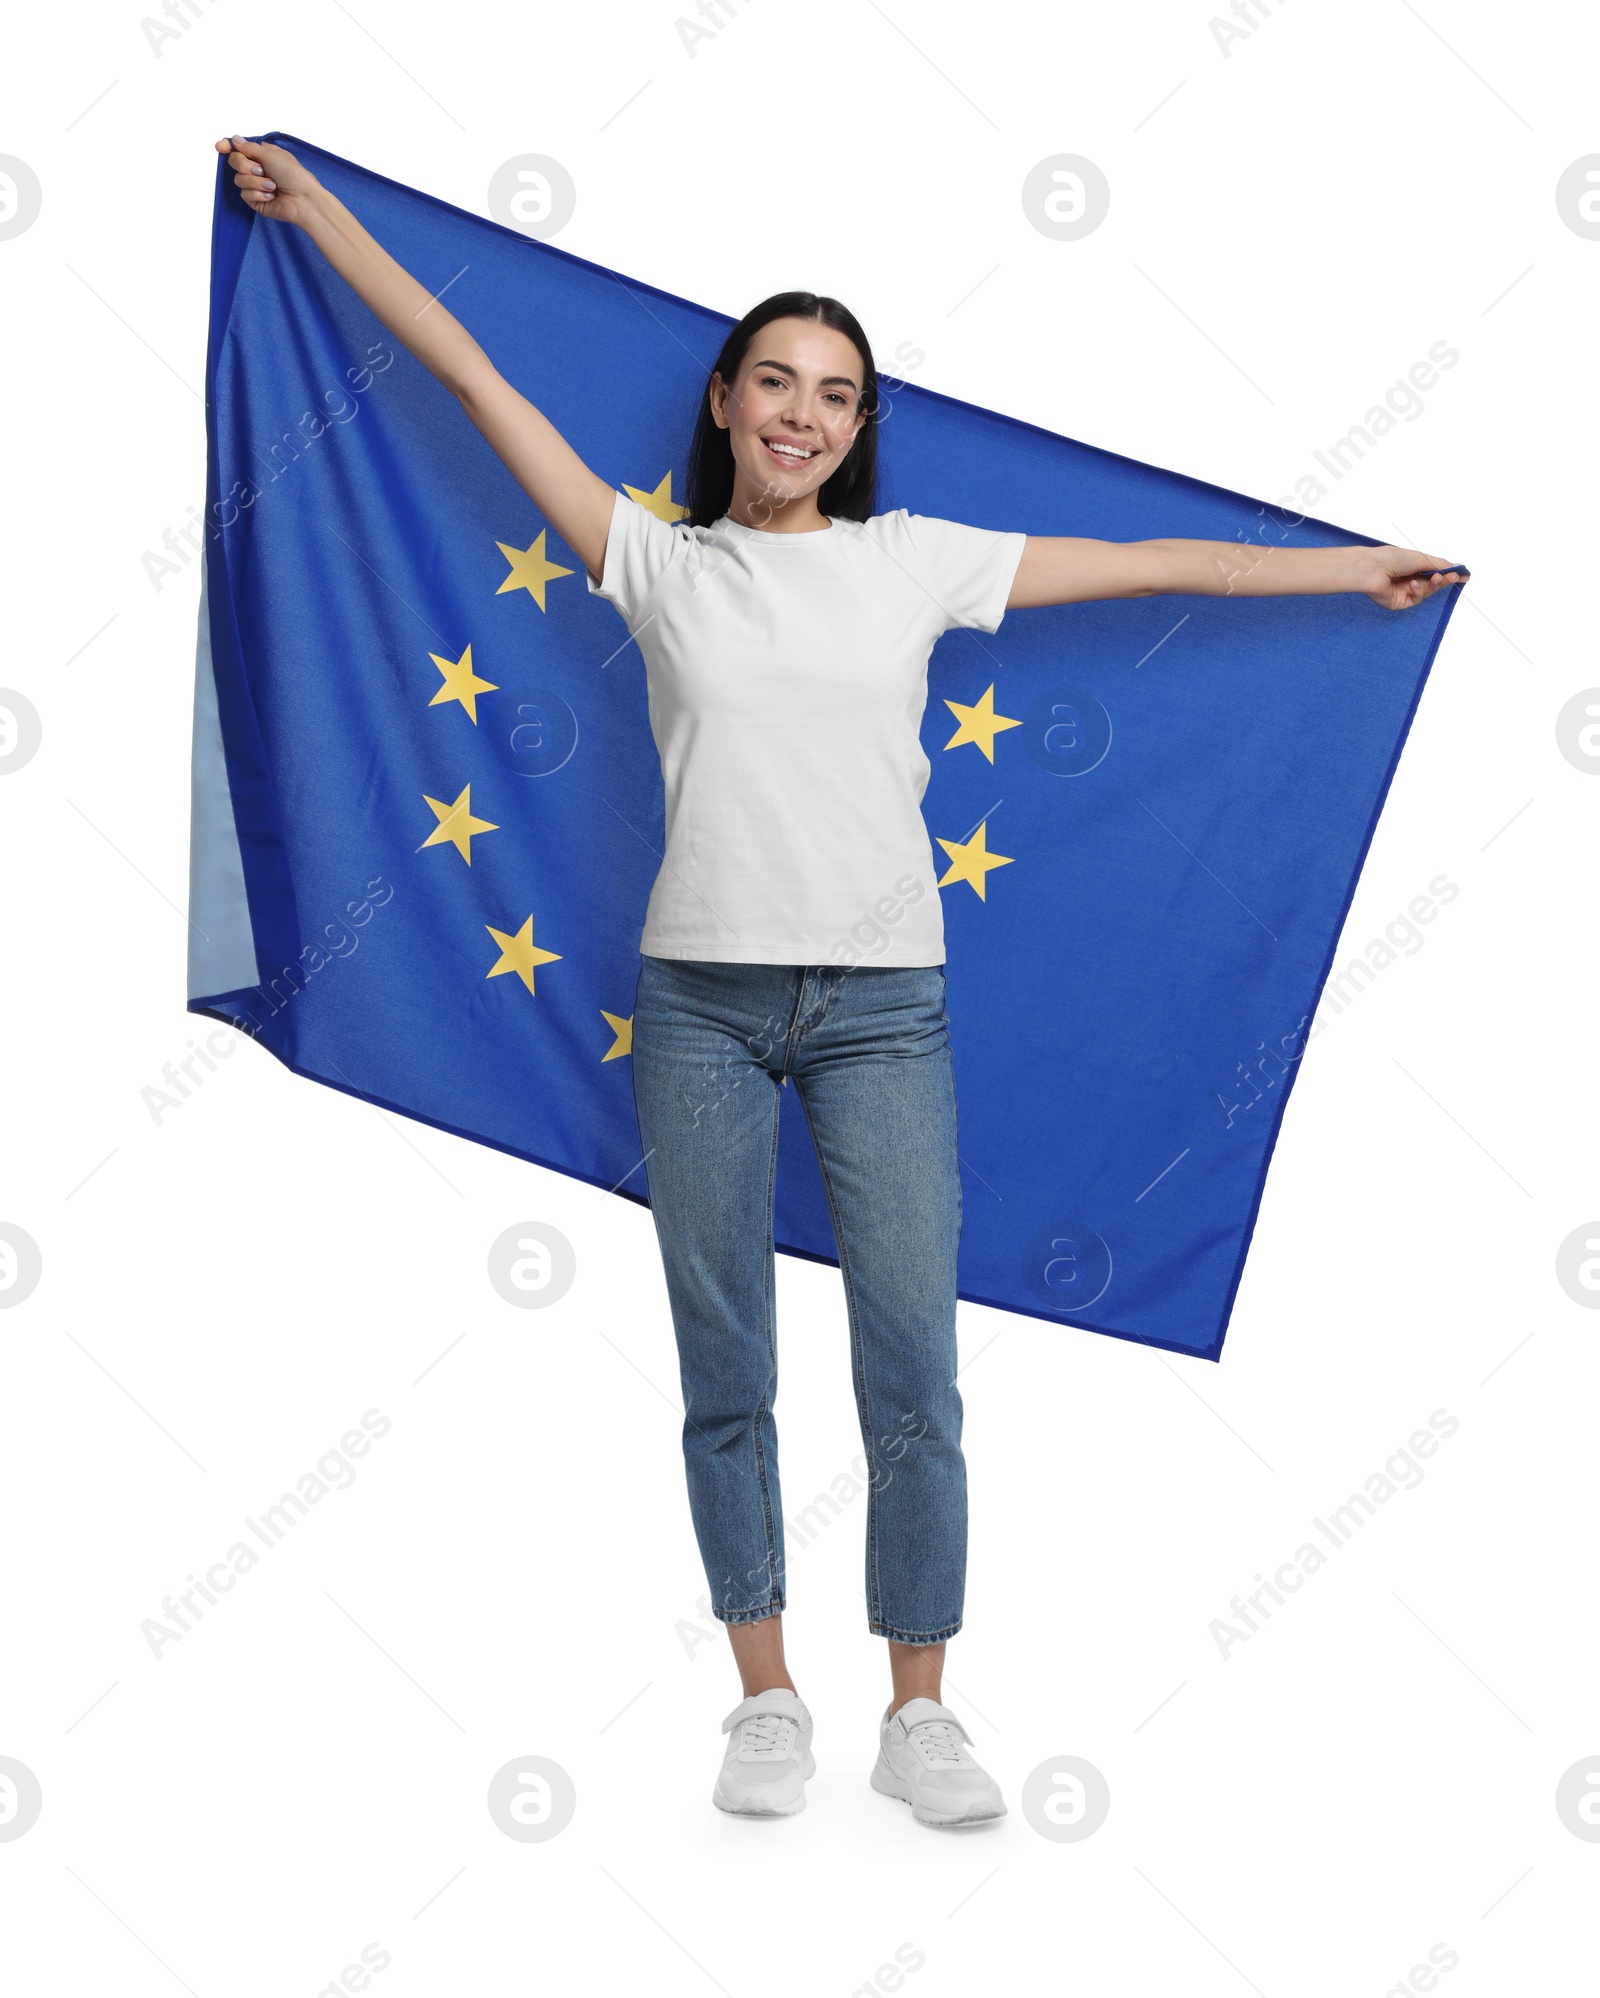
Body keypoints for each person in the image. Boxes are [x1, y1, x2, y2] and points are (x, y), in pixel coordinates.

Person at [212, 134, 1468, 1830]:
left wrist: (1356, 565)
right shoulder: (654, 559)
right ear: (726, 400)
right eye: (779, 381)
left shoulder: (914, 562)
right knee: (726, 1357)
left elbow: (1178, 565)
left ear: (858, 428)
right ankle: (765, 1694)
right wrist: (325, 218)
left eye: (840, 394)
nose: (807, 413)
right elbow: (467, 366)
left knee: (910, 1363)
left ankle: (924, 1707)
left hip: (885, 1006)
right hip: (702, 1011)